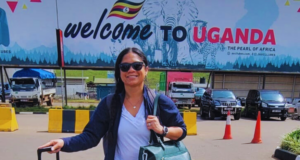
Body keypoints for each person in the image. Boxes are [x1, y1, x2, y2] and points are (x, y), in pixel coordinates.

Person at [38, 47, 187, 160]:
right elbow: (90, 136)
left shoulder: (158, 101)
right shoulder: (110, 104)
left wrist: (162, 130)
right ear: (119, 71)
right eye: (124, 67)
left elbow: (181, 131)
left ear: (146, 70)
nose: (130, 70)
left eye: (137, 66)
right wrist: (63, 143)